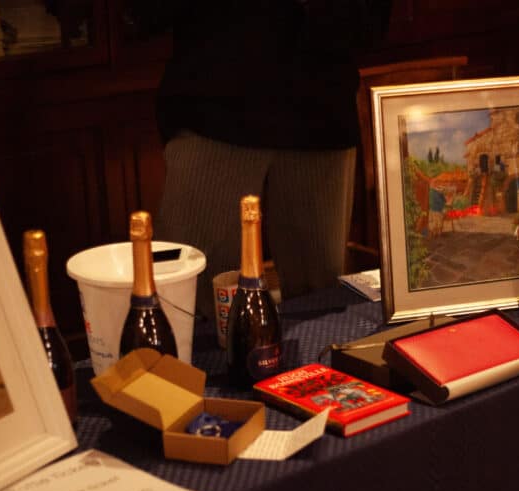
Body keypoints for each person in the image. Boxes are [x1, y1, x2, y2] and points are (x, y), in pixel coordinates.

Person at [125, 0, 392, 318]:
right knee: (187, 301)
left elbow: (372, 23)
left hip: (319, 107)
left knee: (322, 305)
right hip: (214, 105)